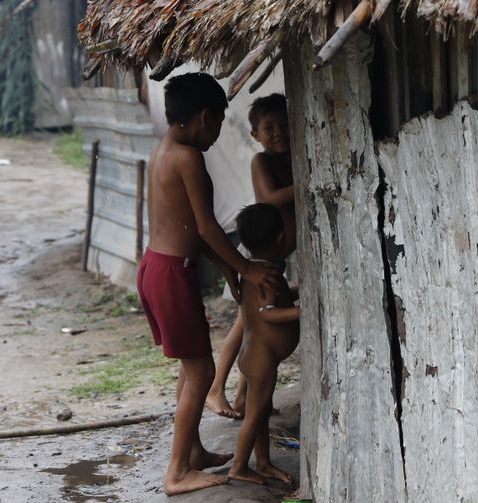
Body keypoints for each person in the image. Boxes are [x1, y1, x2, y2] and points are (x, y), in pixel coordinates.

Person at [136, 72, 280, 496]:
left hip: (156, 266)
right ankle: (177, 471)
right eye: (218, 122)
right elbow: (207, 226)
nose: (218, 132)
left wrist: (228, 269)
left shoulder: (162, 151)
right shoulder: (189, 158)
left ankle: (193, 452)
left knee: (191, 365)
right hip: (171, 272)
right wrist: (248, 269)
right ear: (203, 117)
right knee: (202, 371)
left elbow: (193, 230)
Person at [206, 93, 295, 419]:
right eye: (269, 128)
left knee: (253, 330)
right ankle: (216, 388)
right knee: (245, 325)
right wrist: (308, 181)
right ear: (255, 135)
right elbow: (270, 198)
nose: (279, 133)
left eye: (284, 125)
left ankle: (245, 397)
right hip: (257, 257)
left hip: (274, 258)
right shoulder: (263, 162)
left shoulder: (290, 159)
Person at [228, 203, 299, 485]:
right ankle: (239, 466)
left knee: (261, 411)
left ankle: (264, 462)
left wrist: (298, 291)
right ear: (281, 238)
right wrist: (300, 311)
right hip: (261, 359)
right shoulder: (265, 276)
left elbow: (276, 297)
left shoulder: (256, 270)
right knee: (255, 415)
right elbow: (267, 312)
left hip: (255, 355)